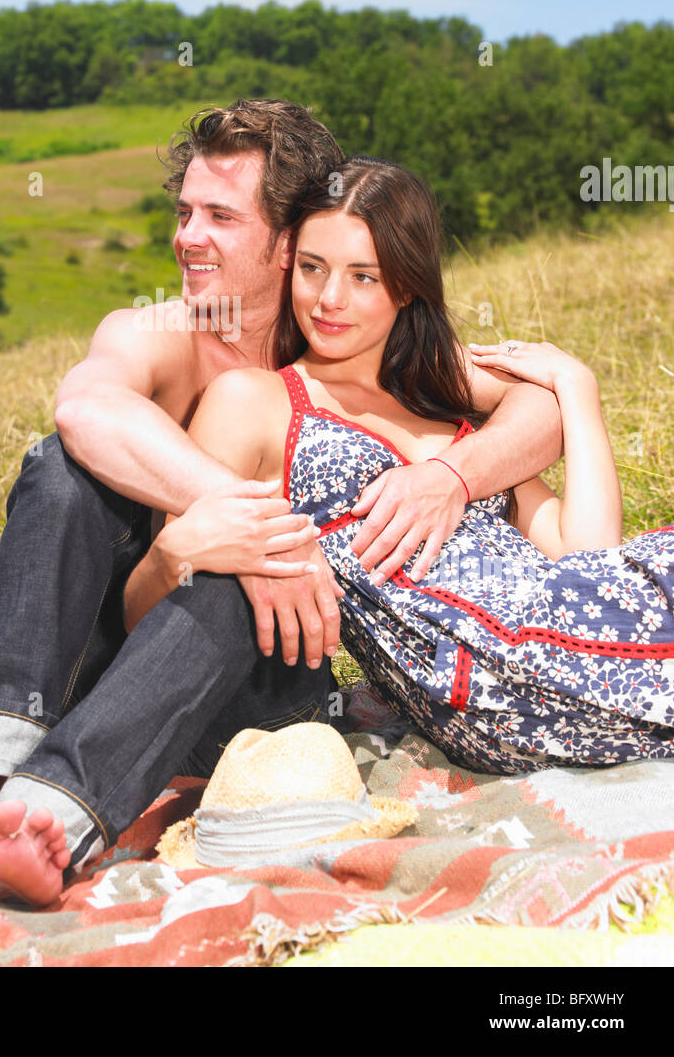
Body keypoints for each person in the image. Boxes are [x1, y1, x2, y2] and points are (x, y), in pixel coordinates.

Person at [0, 112, 564, 903]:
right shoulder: (167, 332)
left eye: (219, 216)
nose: (187, 237)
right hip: (115, 658)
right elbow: (84, 408)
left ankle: (50, 812)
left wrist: (452, 474)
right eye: (183, 213)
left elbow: (535, 405)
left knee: (236, 576)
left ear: (286, 244)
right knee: (58, 468)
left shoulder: (336, 331)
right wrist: (247, 520)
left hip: (254, 687)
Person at [127, 155, 674, 783]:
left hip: (580, 631)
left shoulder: (453, 416)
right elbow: (160, 614)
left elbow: (592, 556)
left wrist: (580, 386)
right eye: (313, 269)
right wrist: (170, 559)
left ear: (407, 285)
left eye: (364, 276)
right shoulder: (256, 402)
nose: (330, 299)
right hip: (492, 679)